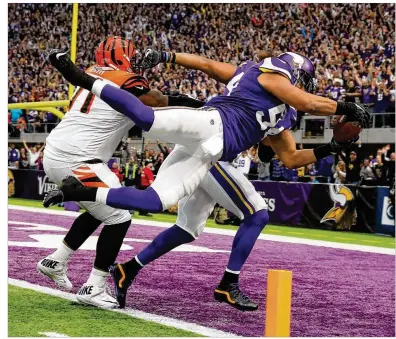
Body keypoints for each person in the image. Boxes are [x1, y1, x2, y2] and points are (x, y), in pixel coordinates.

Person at [45, 49, 368, 309]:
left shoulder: (283, 110)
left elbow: (291, 158)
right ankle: (77, 75)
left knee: (158, 201)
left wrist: (332, 147)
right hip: (210, 125)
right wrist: (347, 106)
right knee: (146, 117)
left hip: (207, 155)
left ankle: (79, 191)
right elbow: (304, 100)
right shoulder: (268, 75)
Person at [37, 37, 204, 309]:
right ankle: (94, 285)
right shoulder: (126, 79)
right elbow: (156, 102)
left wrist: (188, 101)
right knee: (119, 217)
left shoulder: (92, 72)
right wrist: (196, 107)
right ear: (124, 55)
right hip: (79, 158)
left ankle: (56, 259)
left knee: (99, 207)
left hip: (57, 152)